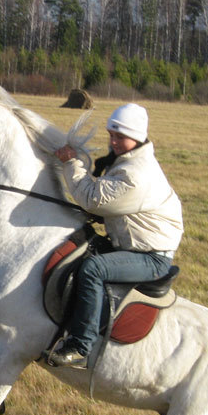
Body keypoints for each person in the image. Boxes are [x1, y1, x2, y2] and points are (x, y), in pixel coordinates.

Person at [50, 103, 183, 368]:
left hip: (151, 258)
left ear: (138, 137)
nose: (113, 141)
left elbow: (92, 199)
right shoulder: (128, 162)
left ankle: (80, 346)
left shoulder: (136, 172)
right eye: (111, 134)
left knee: (93, 269)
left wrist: (71, 164)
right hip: (132, 245)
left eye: (120, 136)